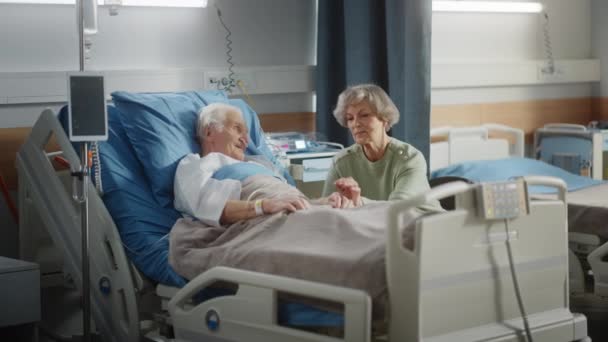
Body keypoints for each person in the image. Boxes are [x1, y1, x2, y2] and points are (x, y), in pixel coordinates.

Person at [174, 103, 360, 227]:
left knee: (369, 212)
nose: (246, 141)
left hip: (295, 211)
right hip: (265, 217)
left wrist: (327, 201)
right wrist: (262, 206)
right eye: (237, 129)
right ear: (208, 132)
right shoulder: (196, 165)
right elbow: (205, 207)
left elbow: (291, 201)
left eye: (247, 133)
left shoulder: (259, 163)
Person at [322, 84, 441, 210]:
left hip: (424, 224)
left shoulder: (409, 158)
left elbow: (397, 209)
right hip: (374, 226)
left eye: (364, 115)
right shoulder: (341, 161)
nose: (355, 123)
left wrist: (359, 202)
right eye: (350, 118)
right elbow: (327, 207)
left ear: (384, 118)